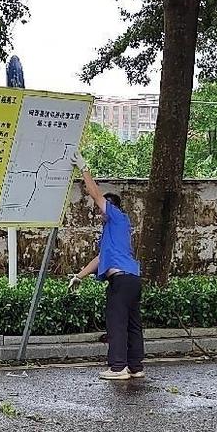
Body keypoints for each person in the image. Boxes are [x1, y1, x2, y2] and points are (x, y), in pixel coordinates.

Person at [68, 150, 144, 380]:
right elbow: (100, 259)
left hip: (121, 281)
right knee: (132, 324)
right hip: (131, 280)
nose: (99, 211)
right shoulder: (114, 232)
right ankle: (135, 367)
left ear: (111, 207)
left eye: (103, 207)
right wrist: (79, 276)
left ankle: (118, 367)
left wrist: (83, 168)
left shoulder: (117, 216)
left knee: (116, 323)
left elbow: (95, 194)